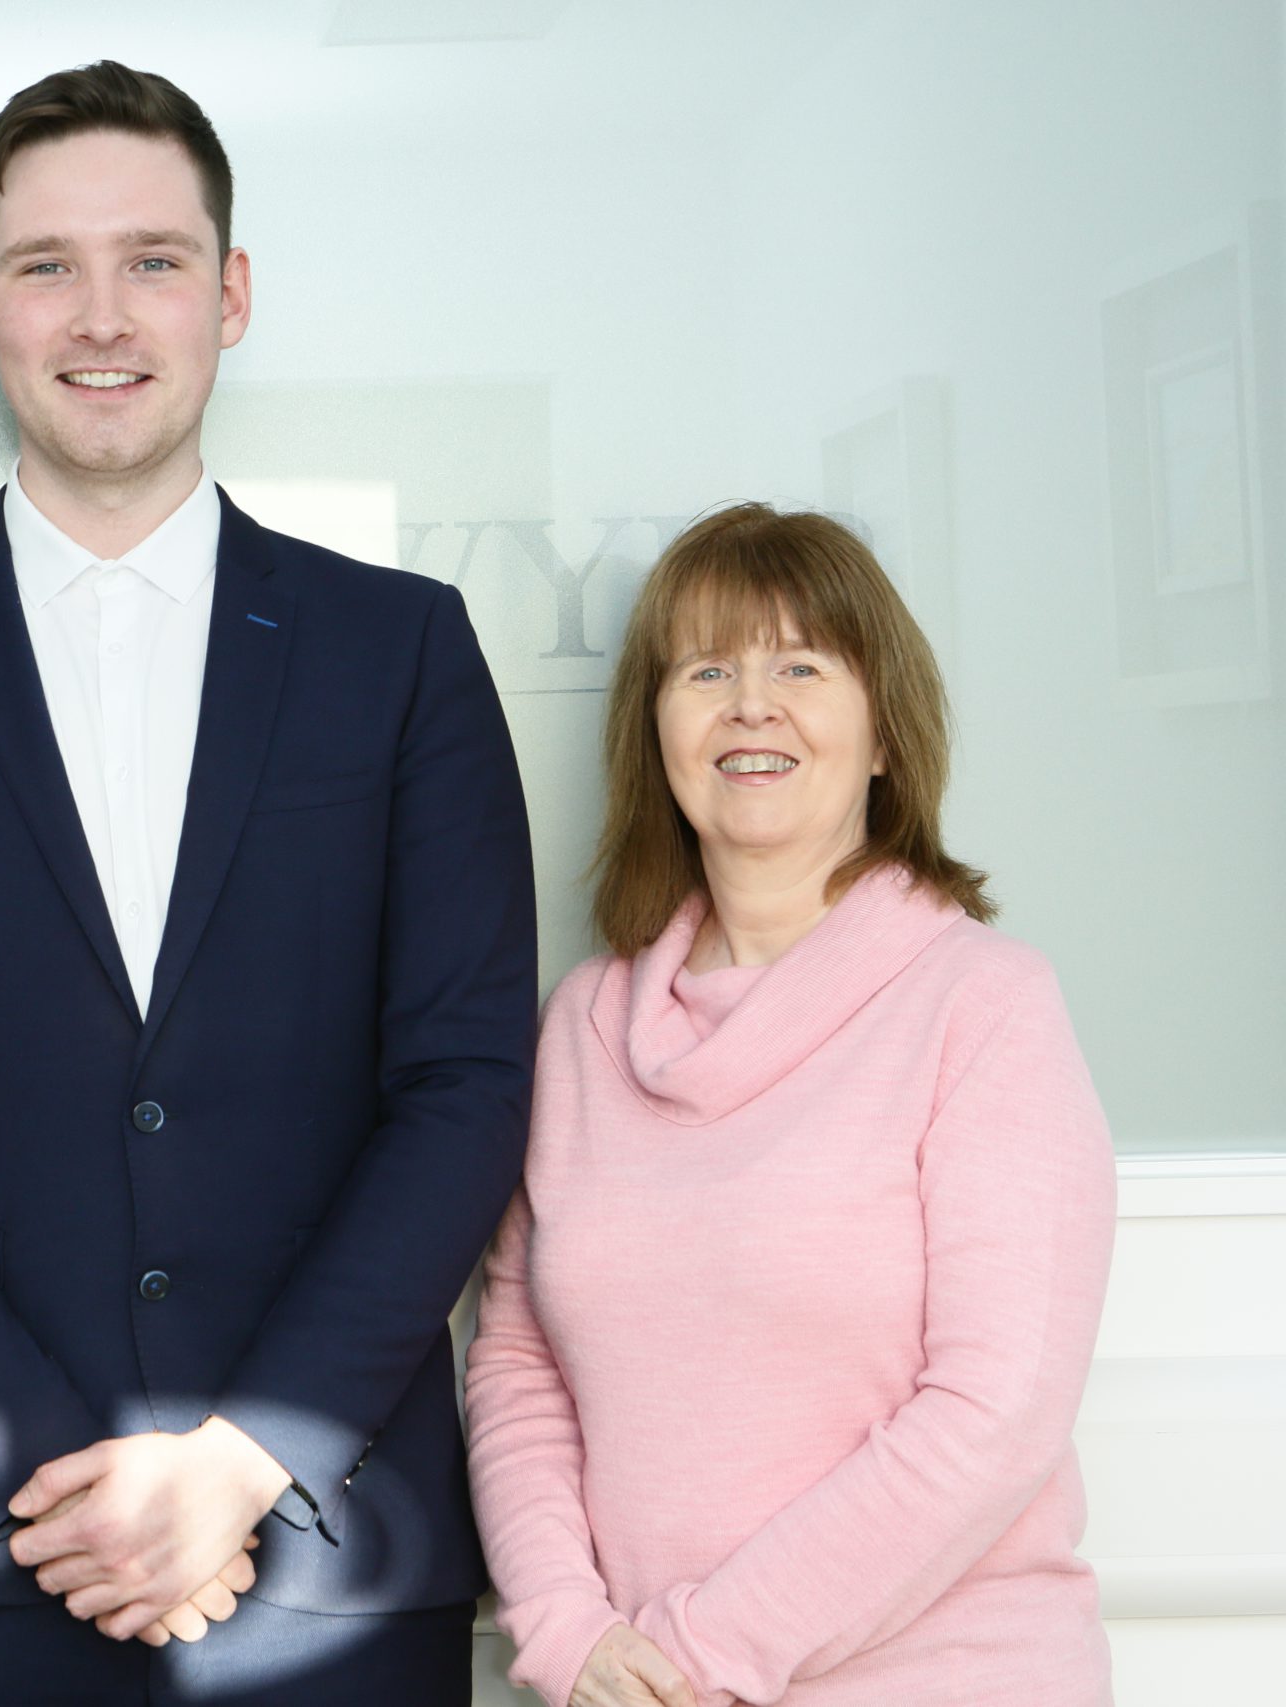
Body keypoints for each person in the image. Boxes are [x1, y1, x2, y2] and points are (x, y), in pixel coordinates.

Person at [0, 61, 537, 1706]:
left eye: (155, 260)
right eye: (47, 266)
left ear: (232, 295)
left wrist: (242, 1460)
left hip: (331, 1556)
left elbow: (462, 1083)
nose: (103, 315)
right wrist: (56, 1480)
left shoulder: (401, 653)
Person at [466, 503, 1117, 1707]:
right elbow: (517, 1366)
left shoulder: (982, 1005)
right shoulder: (583, 1025)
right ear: (654, 730)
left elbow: (994, 1411)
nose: (748, 704)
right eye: (705, 668)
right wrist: (564, 1632)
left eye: (800, 665)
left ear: (881, 736)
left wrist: (698, 1657)